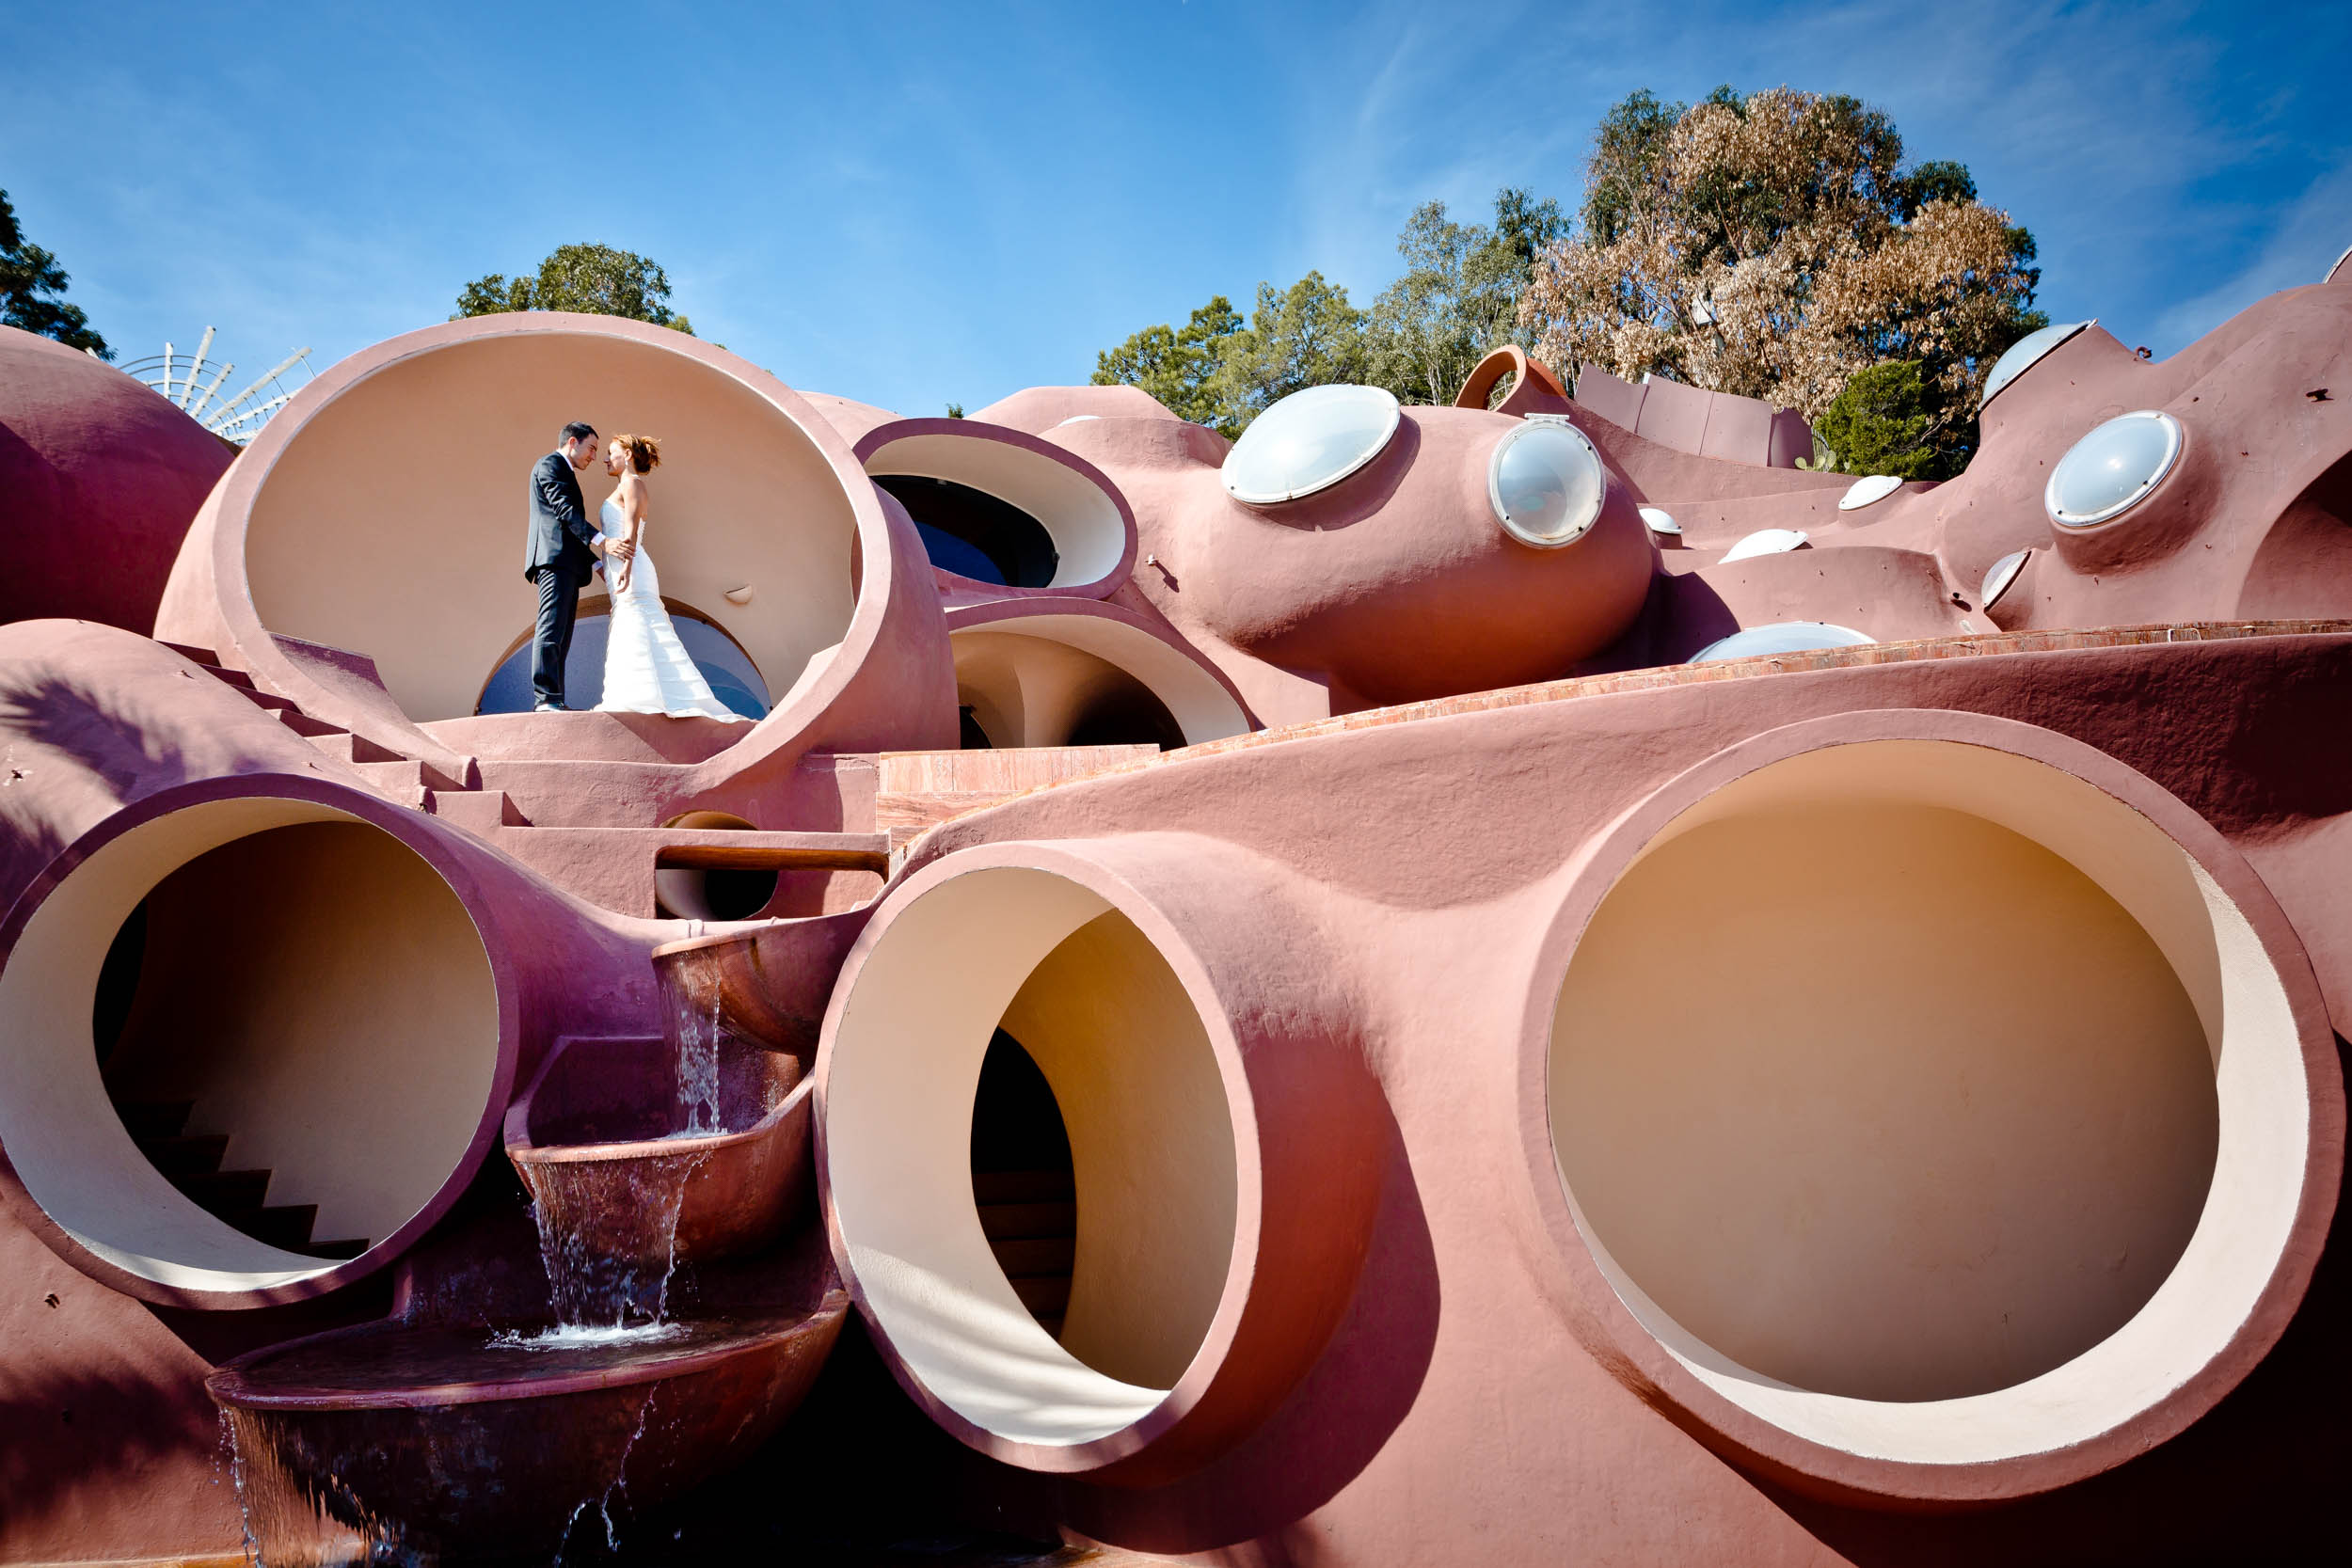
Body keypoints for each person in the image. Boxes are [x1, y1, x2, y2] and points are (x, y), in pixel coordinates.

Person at [595, 433, 750, 721]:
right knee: (639, 624)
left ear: (627, 455)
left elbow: (629, 530)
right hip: (626, 565)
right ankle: (645, 694)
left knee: (636, 621)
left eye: (610, 452)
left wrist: (626, 568)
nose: (605, 458)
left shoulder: (632, 483)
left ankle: (640, 697)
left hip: (633, 566)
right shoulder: (628, 484)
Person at [522, 421, 632, 712]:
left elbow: (569, 527)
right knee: (551, 628)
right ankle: (545, 699)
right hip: (553, 560)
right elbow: (564, 510)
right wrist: (602, 541)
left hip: (568, 563)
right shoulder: (550, 465)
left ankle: (555, 698)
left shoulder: (566, 471)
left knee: (563, 633)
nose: (594, 456)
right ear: (573, 442)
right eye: (592, 448)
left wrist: (595, 563)